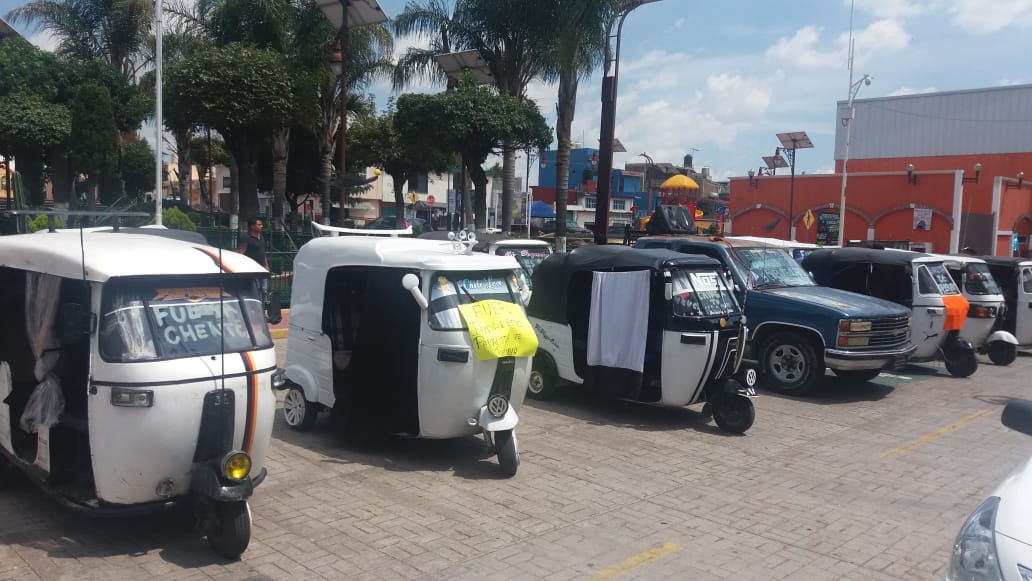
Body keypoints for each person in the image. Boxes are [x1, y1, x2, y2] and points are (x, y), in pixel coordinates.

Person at [238, 218, 270, 305]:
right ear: (252, 226)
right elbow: (241, 253)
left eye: (261, 225)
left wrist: (266, 265)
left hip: (262, 268)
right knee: (257, 289)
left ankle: (264, 307)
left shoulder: (261, 237)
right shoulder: (246, 238)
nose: (261, 226)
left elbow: (262, 252)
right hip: (252, 269)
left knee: (264, 289)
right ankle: (256, 307)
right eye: (259, 225)